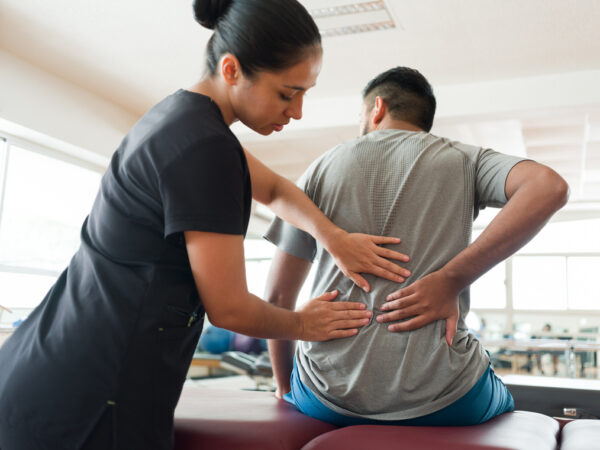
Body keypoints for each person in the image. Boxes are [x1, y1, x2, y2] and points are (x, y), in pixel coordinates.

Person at [0, 2, 412, 449]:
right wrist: (304, 325)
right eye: (287, 93)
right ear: (232, 69)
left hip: (52, 363)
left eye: (305, 93)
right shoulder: (203, 148)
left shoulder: (183, 119)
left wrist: (332, 237)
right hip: (90, 390)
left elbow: (273, 189)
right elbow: (230, 309)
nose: (296, 112)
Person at [264, 67, 569, 426]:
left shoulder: (320, 167)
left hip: (325, 396)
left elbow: (277, 298)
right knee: (501, 396)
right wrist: (451, 279)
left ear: (376, 108)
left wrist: (284, 387)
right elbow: (548, 186)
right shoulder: (464, 158)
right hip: (445, 399)